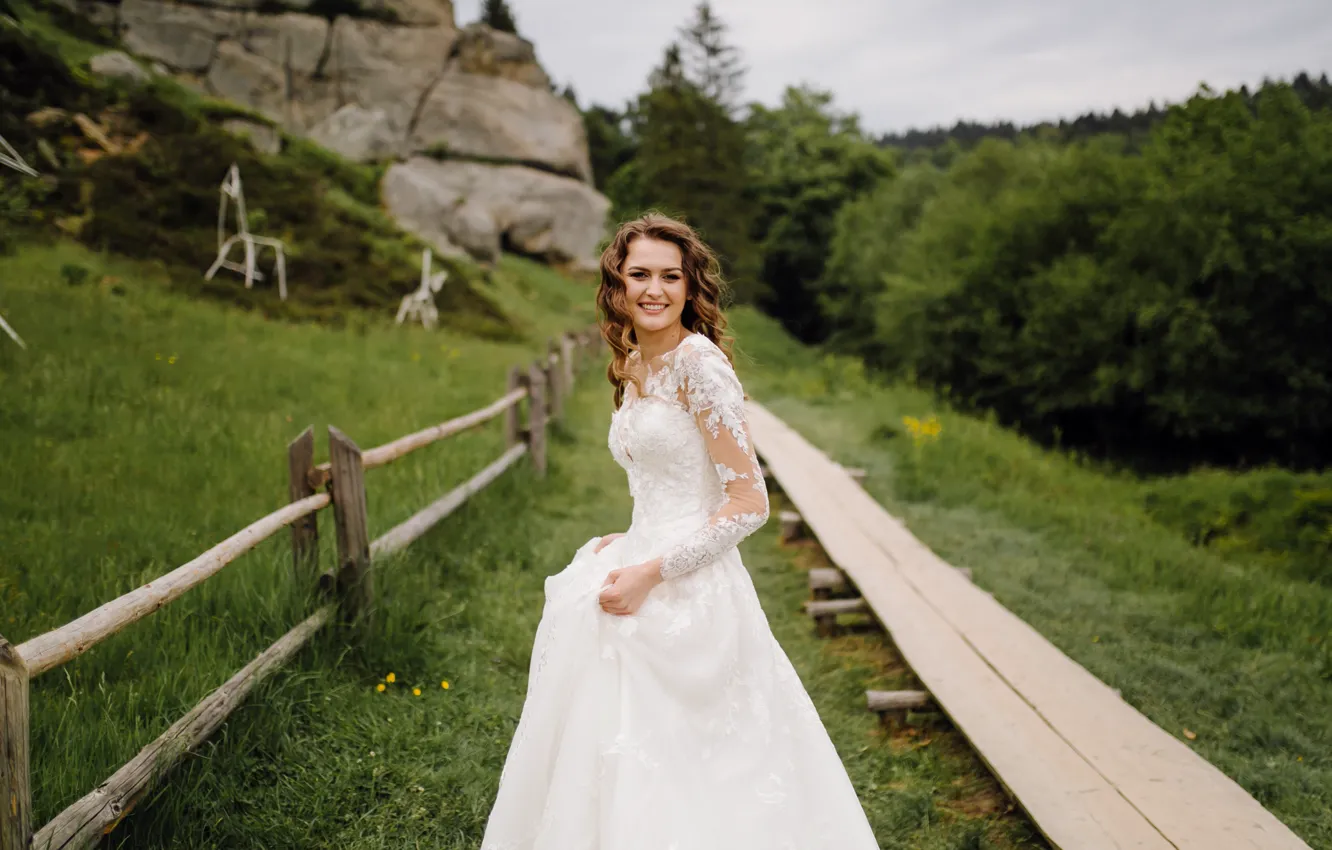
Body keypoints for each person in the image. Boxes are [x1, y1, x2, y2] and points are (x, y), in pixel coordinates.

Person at [480, 213, 880, 850]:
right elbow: (667, 478)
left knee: (699, 759)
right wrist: (632, 538)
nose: (654, 289)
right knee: (610, 734)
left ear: (691, 288)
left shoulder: (700, 365)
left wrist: (651, 570)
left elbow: (749, 501)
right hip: (645, 550)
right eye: (639, 274)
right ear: (616, 284)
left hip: (689, 585)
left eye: (671, 276)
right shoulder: (636, 362)